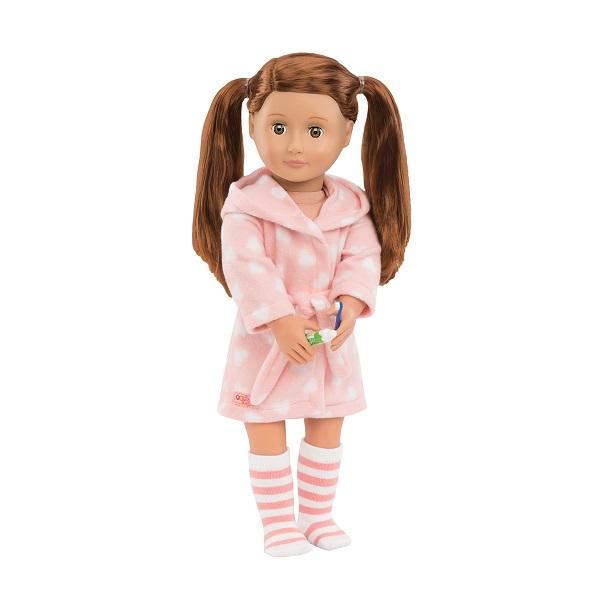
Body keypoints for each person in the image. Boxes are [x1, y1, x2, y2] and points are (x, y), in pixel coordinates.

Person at [192, 52, 411, 557]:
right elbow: (247, 267)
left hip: (328, 338)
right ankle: (277, 523)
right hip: (267, 341)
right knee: (266, 426)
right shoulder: (245, 208)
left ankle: (316, 515)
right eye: (279, 127)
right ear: (252, 125)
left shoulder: (351, 208)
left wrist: (351, 301)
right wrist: (279, 318)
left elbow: (361, 258)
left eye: (315, 131)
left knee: (327, 424)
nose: (296, 145)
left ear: (346, 134)